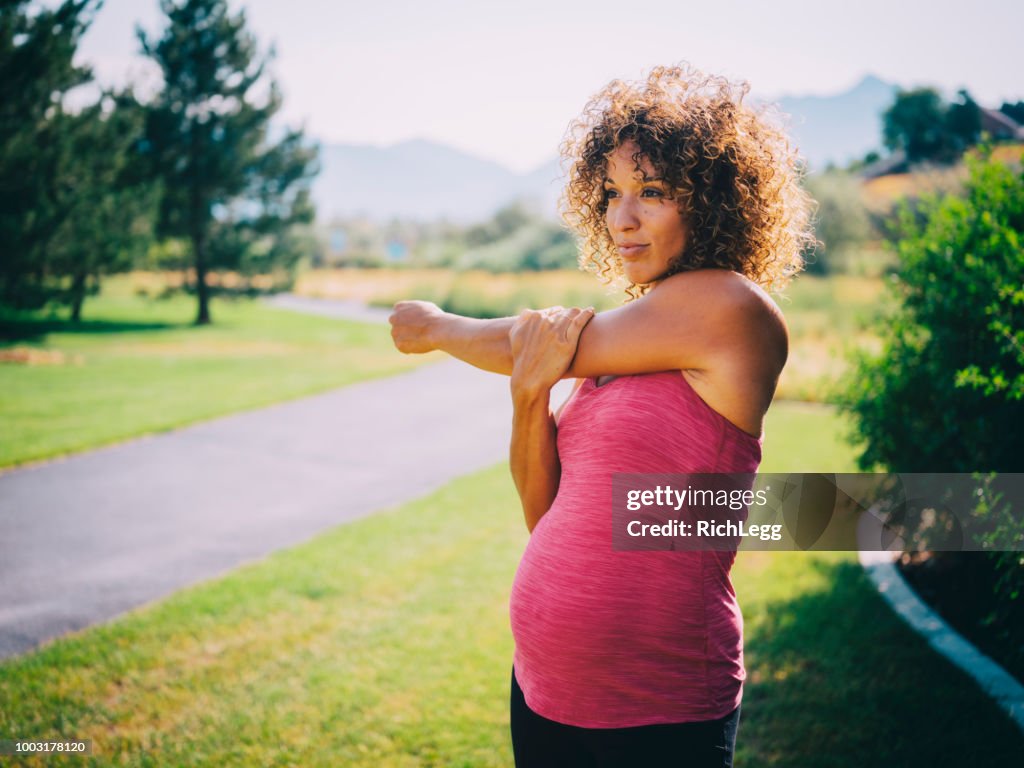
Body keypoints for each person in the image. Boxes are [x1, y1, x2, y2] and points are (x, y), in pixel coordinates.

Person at [389, 63, 814, 767]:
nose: (622, 217)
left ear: (711, 200)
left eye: (652, 192)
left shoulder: (732, 310)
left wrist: (435, 326)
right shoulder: (629, 339)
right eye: (612, 193)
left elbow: (525, 340)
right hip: (543, 689)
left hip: (656, 706)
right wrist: (529, 398)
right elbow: (544, 514)